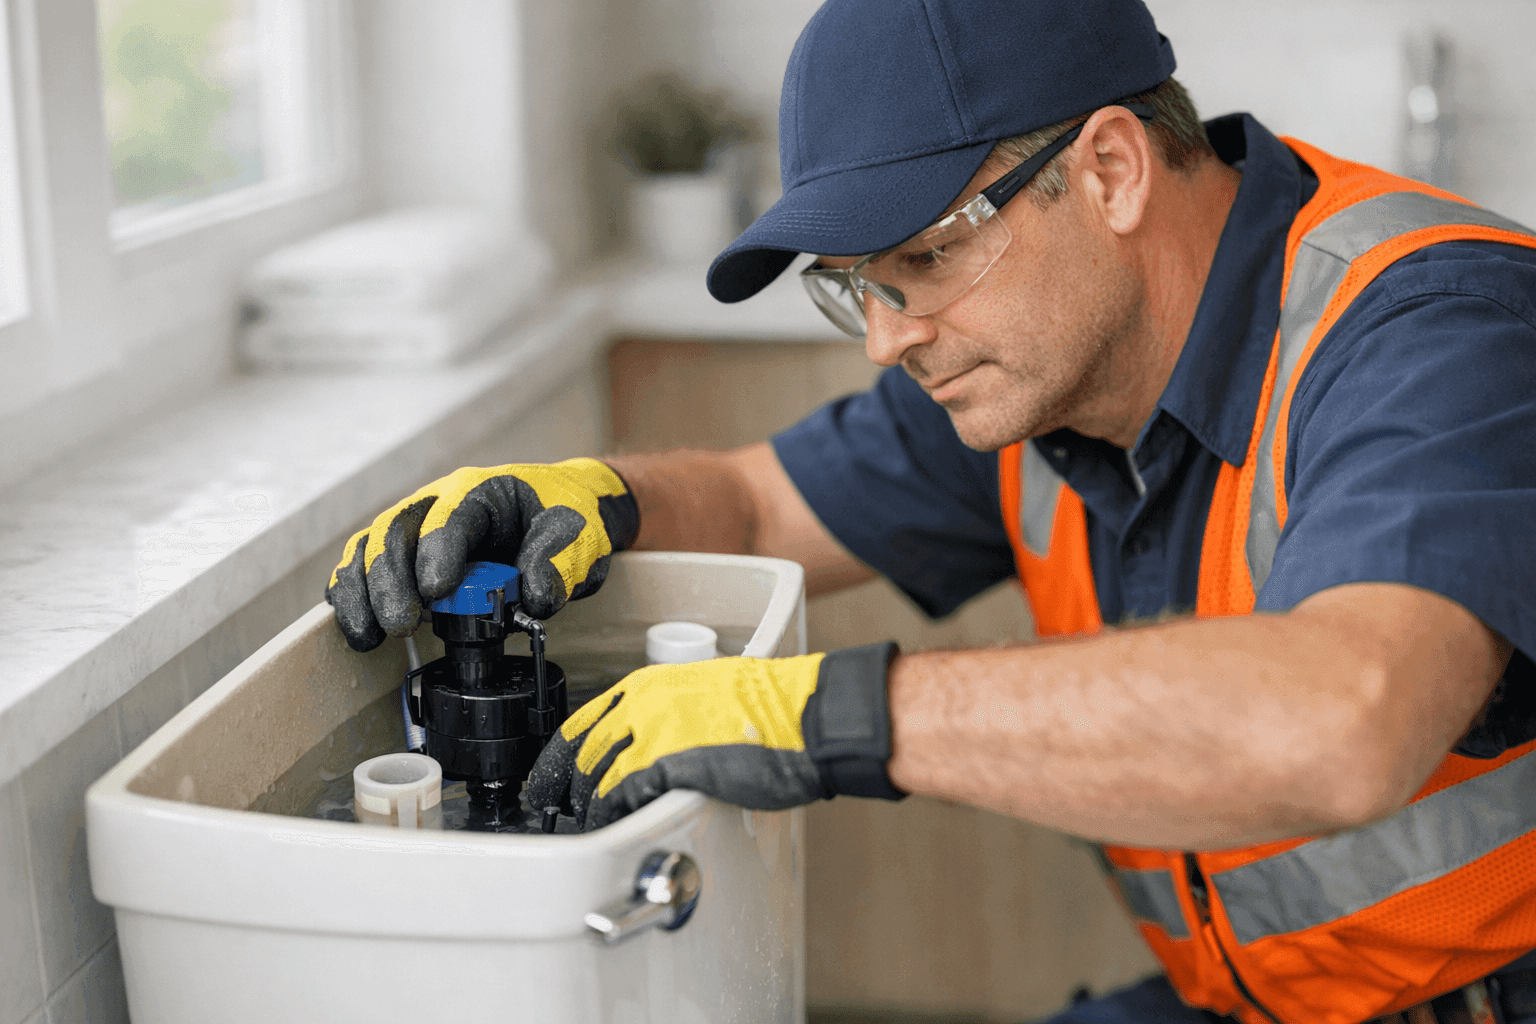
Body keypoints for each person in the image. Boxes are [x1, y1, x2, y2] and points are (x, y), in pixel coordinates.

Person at [325, 1, 1536, 1022]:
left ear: (1109, 169)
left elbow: (1345, 716)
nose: (890, 340)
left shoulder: (1433, 332)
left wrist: (829, 714)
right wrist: (595, 496)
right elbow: (751, 505)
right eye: (857, 290)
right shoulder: (1033, 369)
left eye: (924, 261)